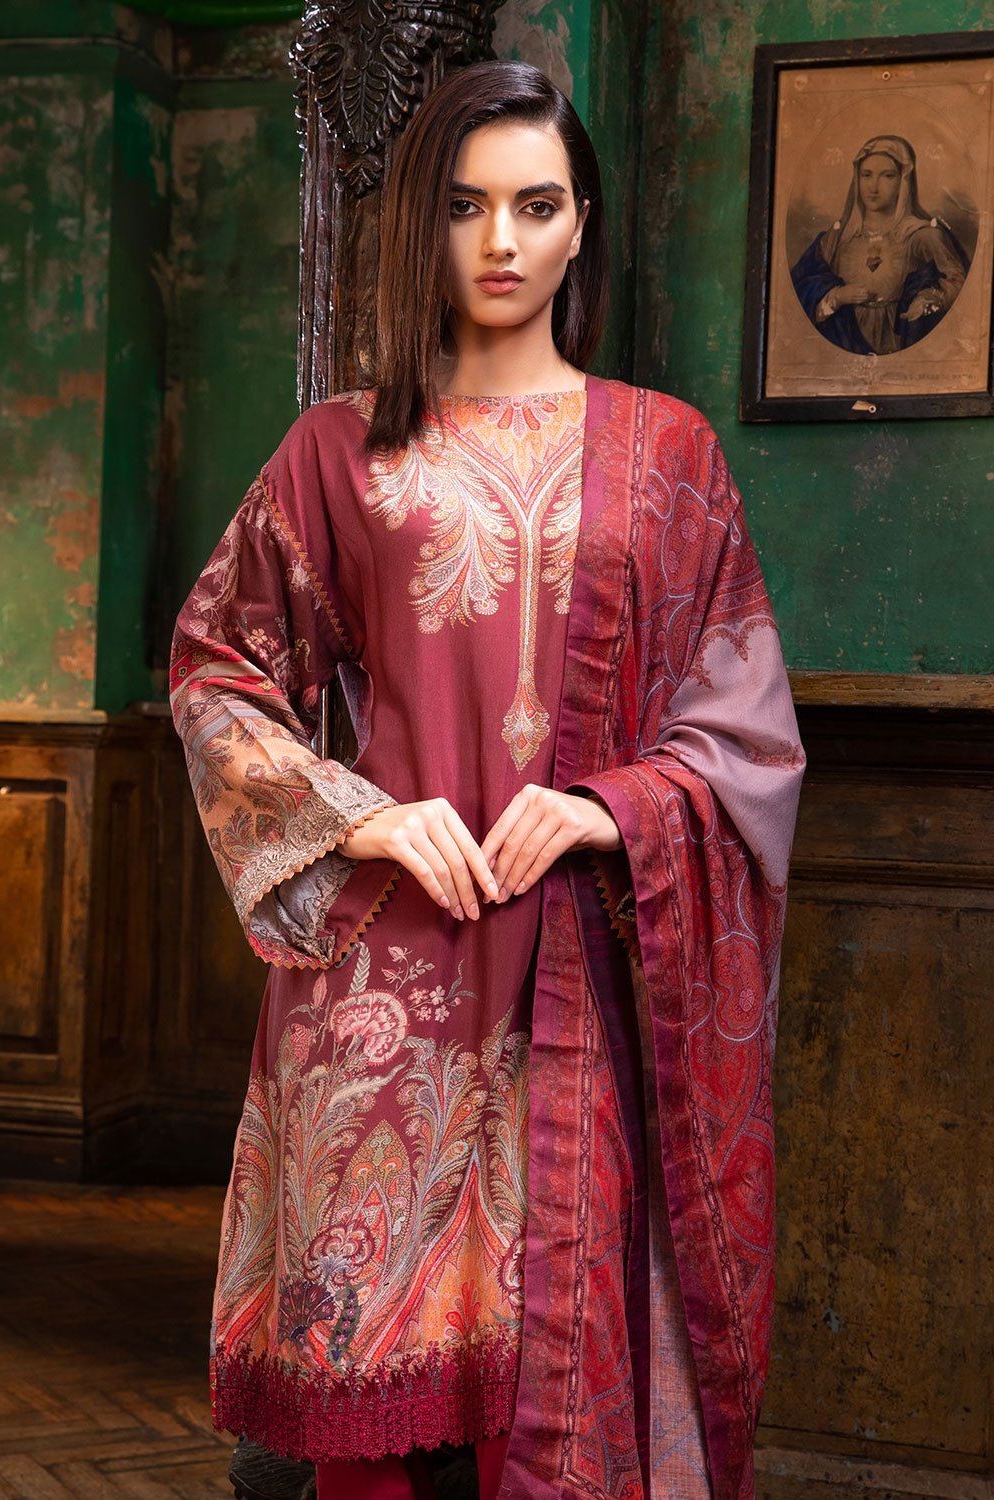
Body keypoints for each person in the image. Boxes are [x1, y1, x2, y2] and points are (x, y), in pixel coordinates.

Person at [171, 60, 804, 1500]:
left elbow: (745, 732)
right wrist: (361, 816)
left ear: (583, 226)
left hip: (585, 974)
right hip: (379, 993)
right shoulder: (339, 448)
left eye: (536, 205)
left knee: (551, 1390)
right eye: (464, 207)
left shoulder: (668, 454)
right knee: (369, 1418)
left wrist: (605, 808)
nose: (501, 241)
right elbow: (216, 670)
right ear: (422, 226)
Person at [790, 133, 970, 355]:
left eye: (887, 176)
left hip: (903, 346)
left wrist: (930, 299)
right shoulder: (836, 239)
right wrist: (837, 296)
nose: (873, 187)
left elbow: (958, 281)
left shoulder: (921, 236)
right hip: (846, 347)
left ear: (903, 180)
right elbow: (798, 289)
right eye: (866, 175)